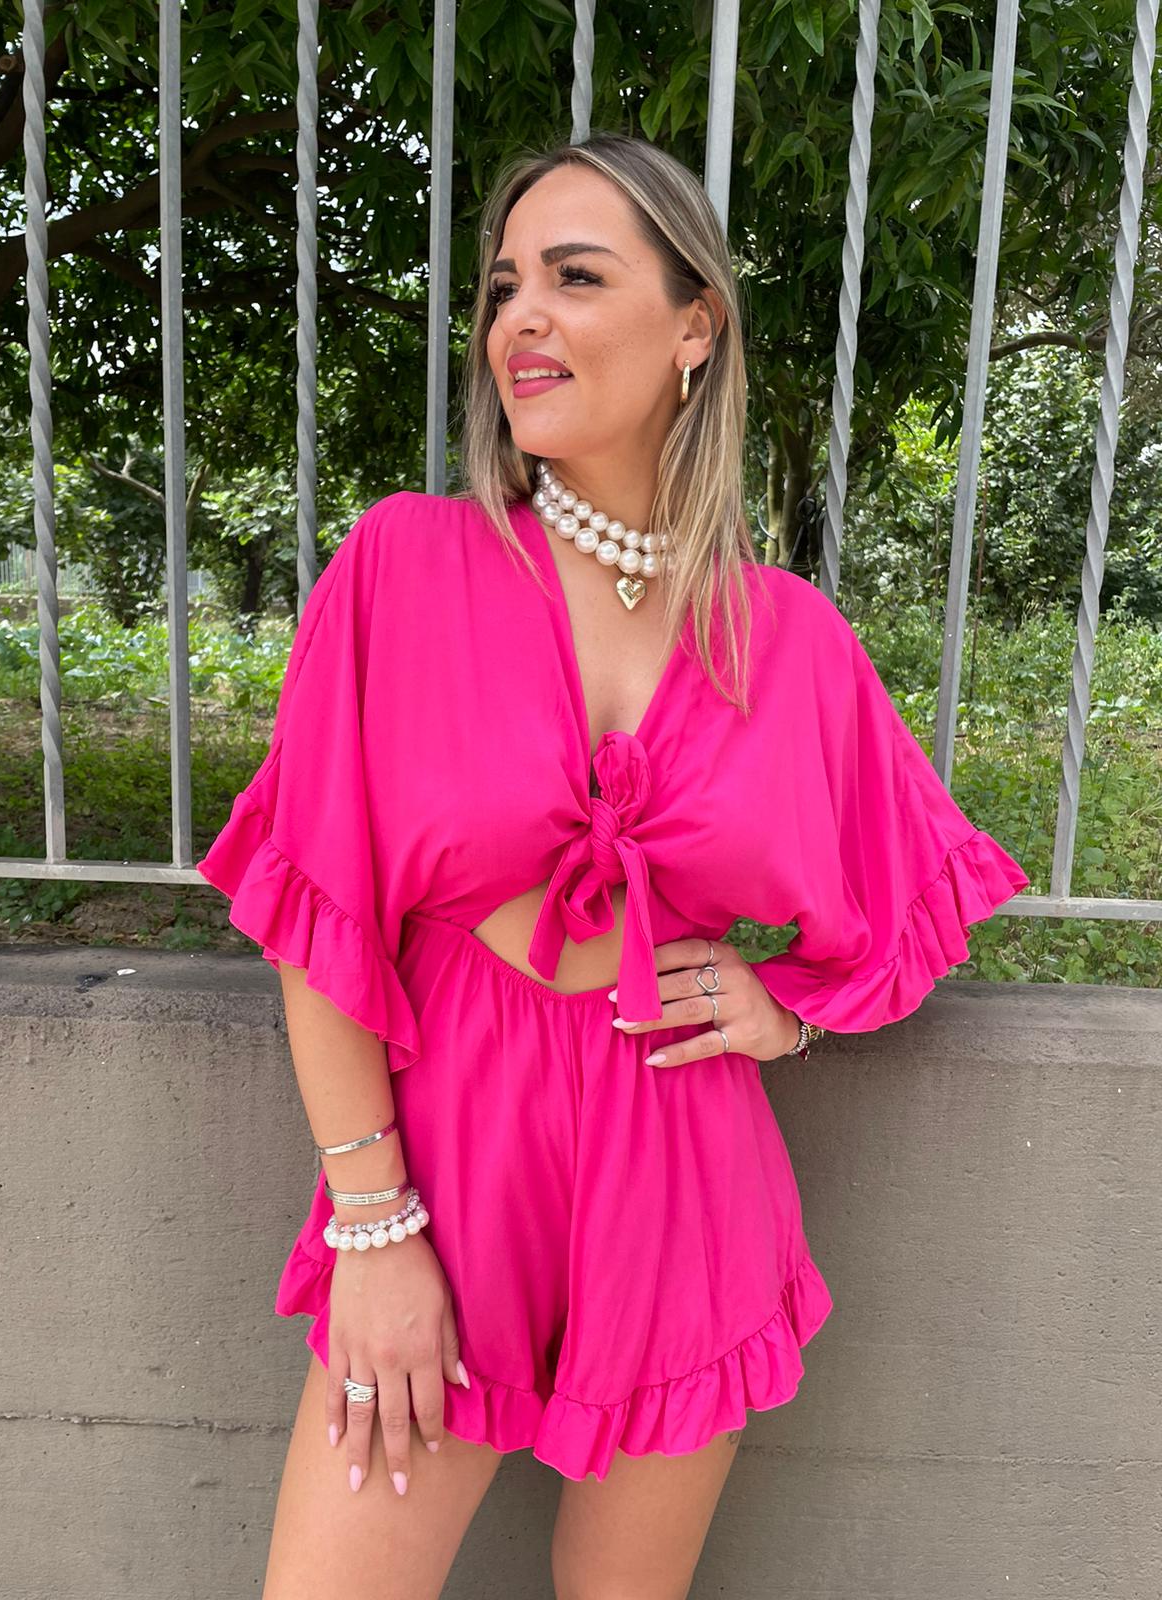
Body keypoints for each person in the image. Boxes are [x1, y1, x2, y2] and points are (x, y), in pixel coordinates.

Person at [196, 131, 1030, 1600]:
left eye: (576, 277)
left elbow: (909, 899)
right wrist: (375, 1227)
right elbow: (319, 912)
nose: (521, 316)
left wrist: (786, 1007)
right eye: (506, 285)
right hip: (444, 1148)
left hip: (682, 1165)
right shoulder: (405, 566)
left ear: (694, 325)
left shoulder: (789, 639)